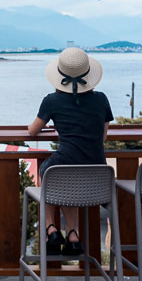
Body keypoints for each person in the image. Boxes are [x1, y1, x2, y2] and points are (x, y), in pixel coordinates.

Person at [27, 47, 113, 257]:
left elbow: (32, 131)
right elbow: (103, 136)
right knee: (68, 182)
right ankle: (72, 235)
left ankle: (51, 229)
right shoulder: (101, 99)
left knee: (51, 173)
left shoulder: (52, 101)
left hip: (62, 167)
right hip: (97, 175)